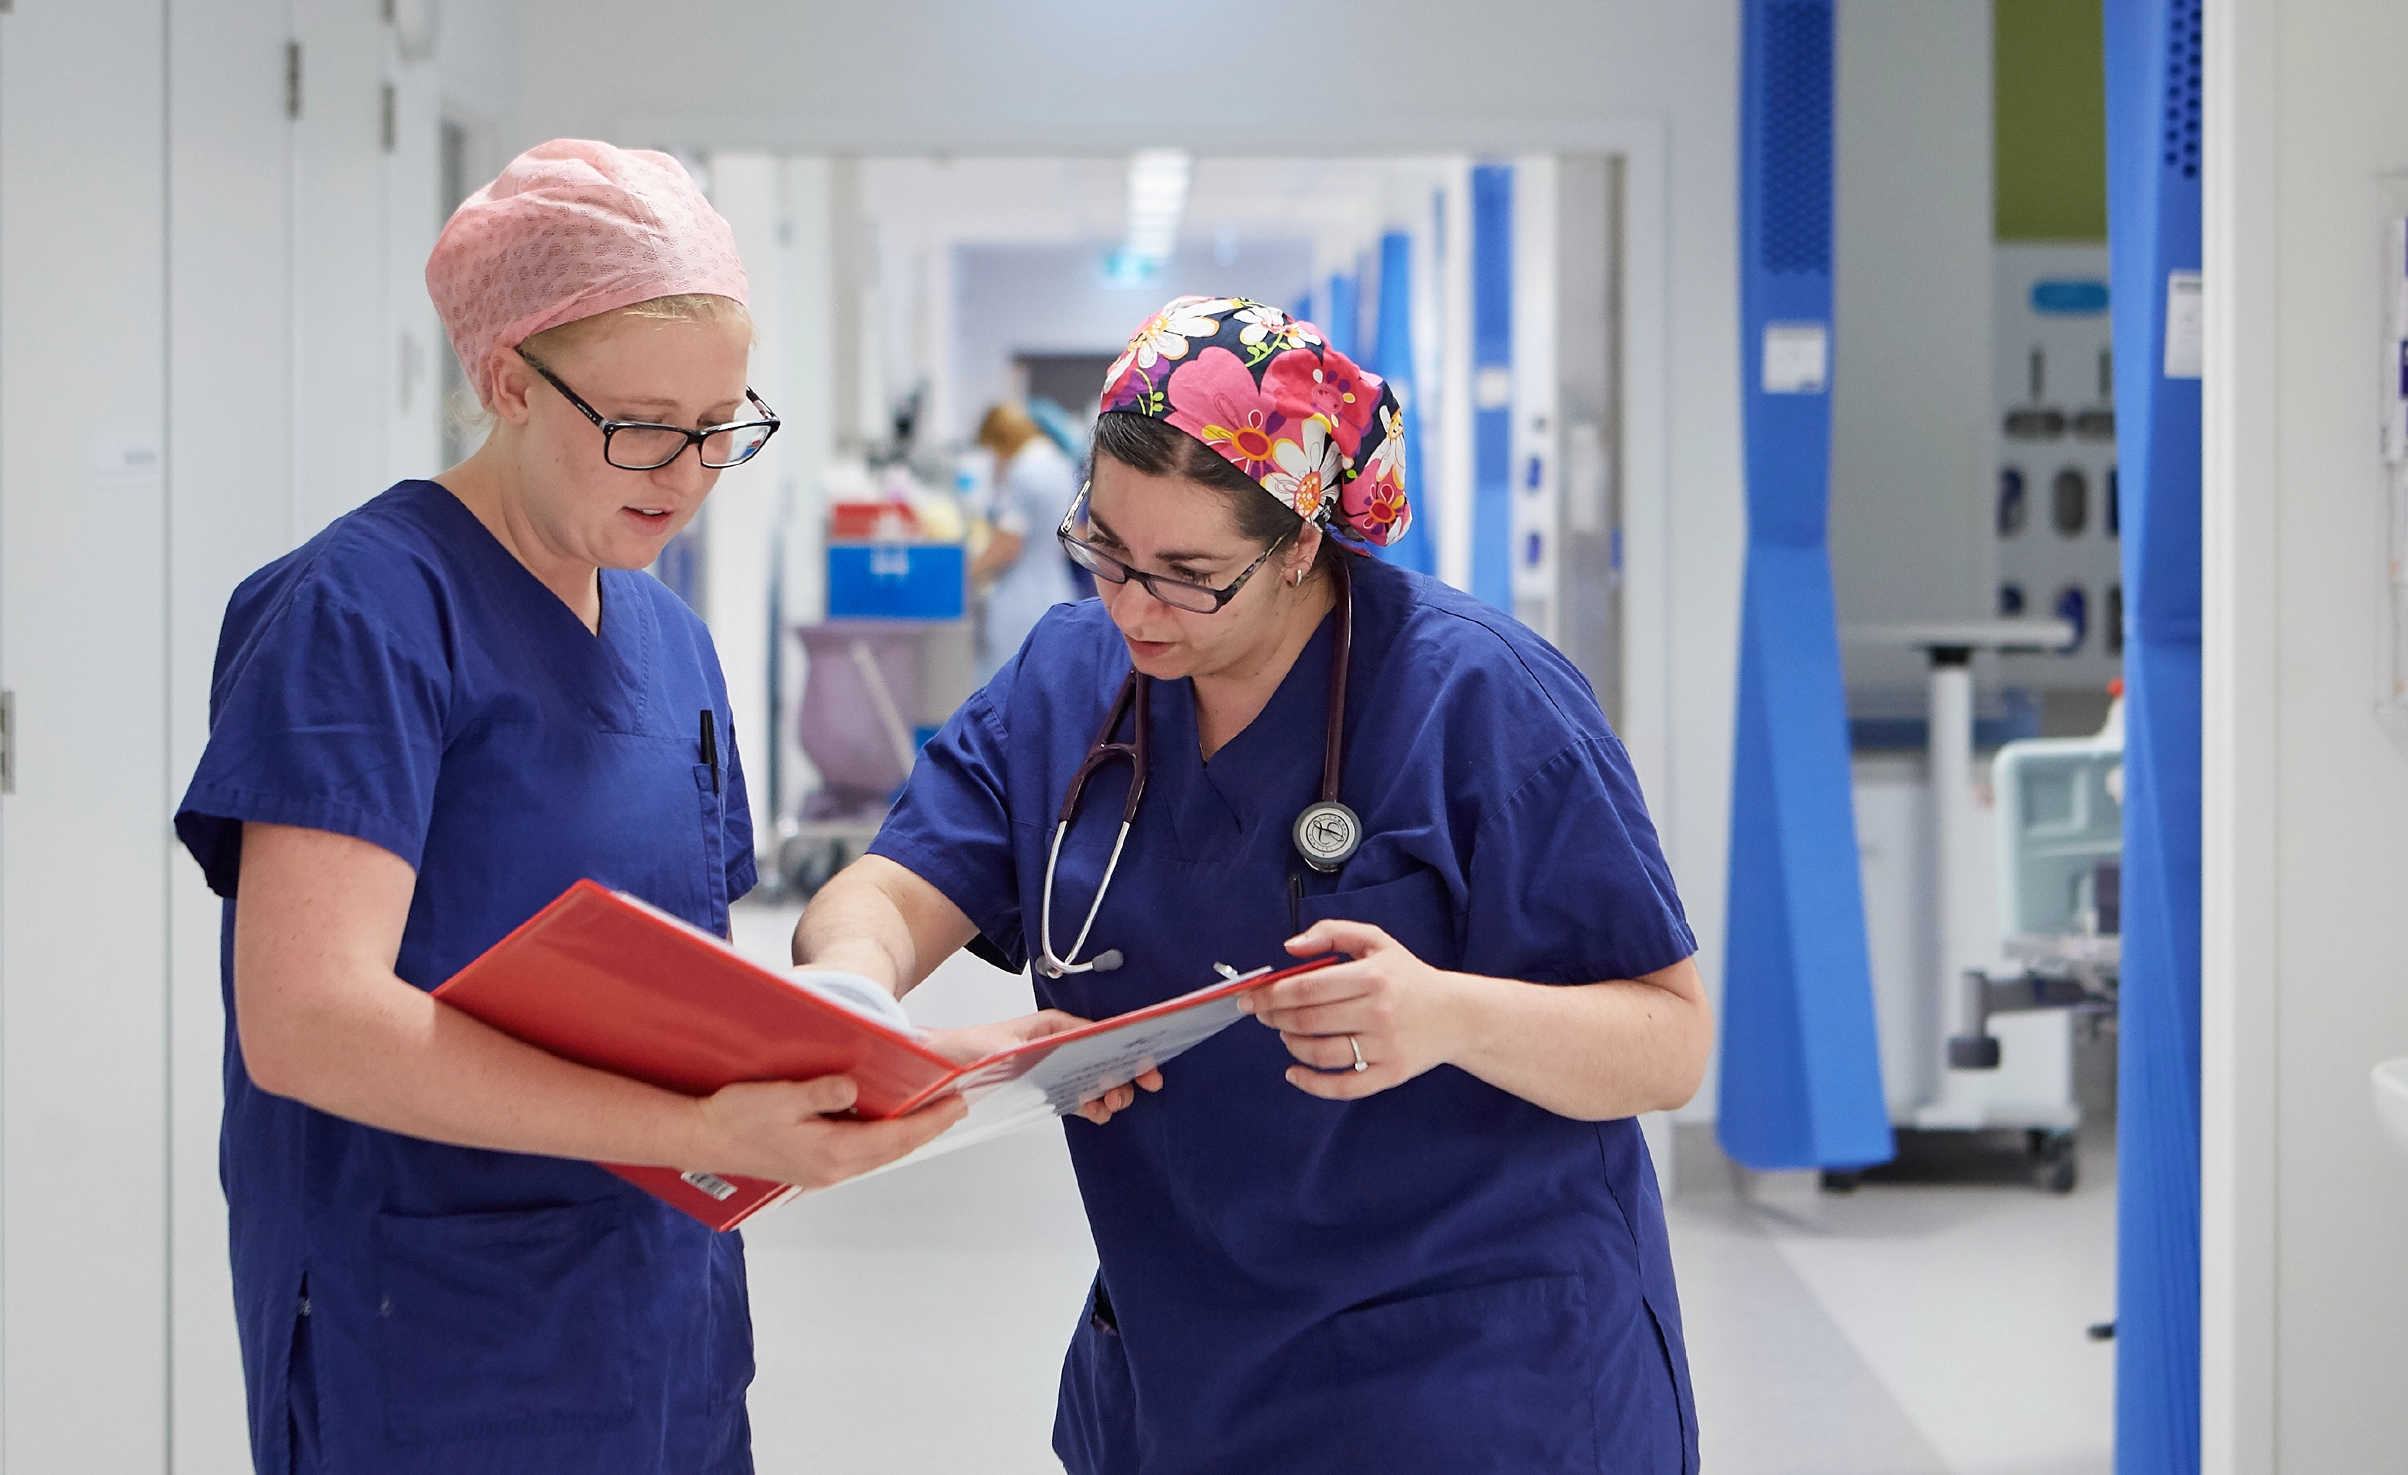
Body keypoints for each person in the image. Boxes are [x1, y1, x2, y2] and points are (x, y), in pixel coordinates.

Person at [794, 295, 1713, 1472]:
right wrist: (861, 1000)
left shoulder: (1481, 700)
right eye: (1105, 550)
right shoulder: (1071, 684)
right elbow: (877, 896)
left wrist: (1444, 1013)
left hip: (1469, 1378)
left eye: (1186, 574)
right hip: (1188, 1364)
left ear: (1294, 542)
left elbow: (1668, 1039)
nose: (1129, 604)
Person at [173, 139, 965, 1475]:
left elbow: (680, 981)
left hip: (655, 1311)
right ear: (507, 383)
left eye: (721, 426)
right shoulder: (357, 614)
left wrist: (885, 1060)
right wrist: (697, 1133)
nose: (690, 471)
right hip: (425, 1319)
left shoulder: (670, 638)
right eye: (644, 425)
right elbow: (308, 1024)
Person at [970, 401, 1080, 681]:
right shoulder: (1061, 465)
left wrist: (964, 570)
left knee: (1008, 688)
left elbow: (1009, 546)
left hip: (1019, 601)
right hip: (1056, 590)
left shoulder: (1022, 473)